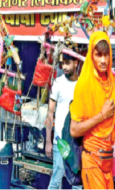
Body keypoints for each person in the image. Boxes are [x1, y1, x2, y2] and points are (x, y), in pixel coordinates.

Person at [69, 31, 115, 189]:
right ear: (91, 56)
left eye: (106, 55)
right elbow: (74, 130)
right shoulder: (83, 85)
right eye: (99, 55)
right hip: (92, 160)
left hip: (107, 160)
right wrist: (101, 116)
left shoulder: (111, 82)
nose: (104, 61)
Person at [46, 54, 79, 189]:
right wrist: (48, 142)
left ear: (76, 63)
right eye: (62, 63)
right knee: (55, 181)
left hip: (76, 142)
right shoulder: (58, 83)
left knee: (77, 183)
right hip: (60, 142)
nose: (64, 67)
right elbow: (50, 113)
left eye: (67, 63)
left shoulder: (82, 84)